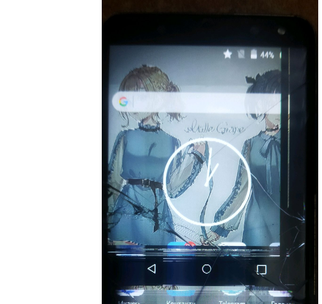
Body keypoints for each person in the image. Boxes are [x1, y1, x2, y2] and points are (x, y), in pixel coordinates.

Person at [107, 65, 207, 246]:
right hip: (126, 213)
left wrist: (195, 157)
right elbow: (112, 183)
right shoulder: (125, 137)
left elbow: (173, 188)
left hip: (158, 216)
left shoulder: (172, 142)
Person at [204, 70, 281, 246]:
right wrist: (218, 229)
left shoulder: (295, 142)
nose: (280, 108)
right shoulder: (250, 144)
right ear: (260, 104)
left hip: (288, 222)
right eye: (274, 102)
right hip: (257, 223)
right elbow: (242, 190)